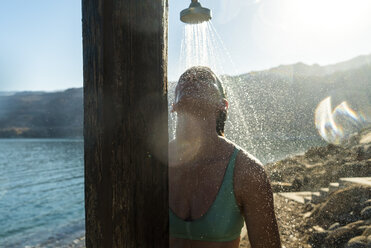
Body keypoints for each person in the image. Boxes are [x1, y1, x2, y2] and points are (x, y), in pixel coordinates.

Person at [169, 66, 281, 248]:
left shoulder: (248, 171)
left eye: (205, 78)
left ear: (223, 104)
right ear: (173, 105)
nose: (193, 78)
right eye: (185, 78)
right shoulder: (152, 164)